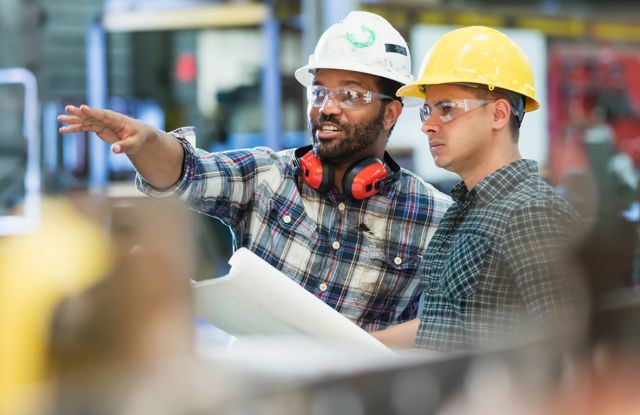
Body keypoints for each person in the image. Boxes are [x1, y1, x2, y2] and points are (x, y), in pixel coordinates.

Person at [58, 11, 451, 332]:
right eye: (319, 92)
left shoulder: (433, 217)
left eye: (349, 94)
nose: (327, 108)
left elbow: (441, 329)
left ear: (392, 112)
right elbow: (186, 172)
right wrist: (144, 141)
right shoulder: (267, 176)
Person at [371, 26, 585, 350]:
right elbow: (441, 325)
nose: (428, 124)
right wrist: (353, 344)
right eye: (428, 110)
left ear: (498, 114)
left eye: (447, 109)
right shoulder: (462, 210)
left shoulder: (532, 214)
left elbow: (573, 347)